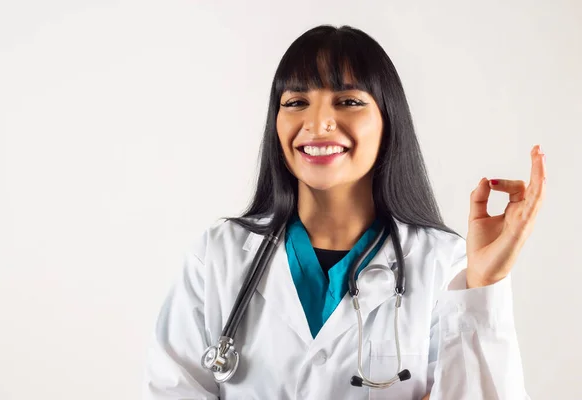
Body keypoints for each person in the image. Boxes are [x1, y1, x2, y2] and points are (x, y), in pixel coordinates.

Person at [142, 24, 545, 399]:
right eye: (296, 101)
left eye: (348, 101)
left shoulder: (447, 265)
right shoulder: (218, 256)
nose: (318, 123)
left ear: (388, 120)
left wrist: (485, 283)